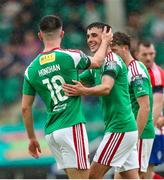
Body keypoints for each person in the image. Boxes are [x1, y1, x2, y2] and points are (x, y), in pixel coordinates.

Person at [21, 15, 112, 179]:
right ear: (62, 34)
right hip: (71, 126)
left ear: (40, 35)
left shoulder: (30, 70)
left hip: (51, 133)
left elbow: (25, 108)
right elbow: (98, 62)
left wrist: (32, 138)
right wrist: (105, 40)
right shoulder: (70, 56)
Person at [62, 22, 139, 179]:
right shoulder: (97, 65)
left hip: (120, 129)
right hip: (124, 129)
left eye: (94, 35)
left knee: (92, 177)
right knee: (130, 177)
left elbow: (106, 88)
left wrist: (84, 91)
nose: (90, 39)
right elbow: (75, 83)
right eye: (88, 36)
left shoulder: (112, 61)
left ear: (107, 38)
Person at [111, 32, 155, 179]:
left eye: (114, 50)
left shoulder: (135, 70)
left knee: (138, 176)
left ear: (125, 48)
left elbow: (145, 107)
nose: (112, 54)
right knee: (121, 175)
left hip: (139, 132)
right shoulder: (123, 70)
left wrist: (135, 137)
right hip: (128, 132)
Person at [136, 40, 164, 179]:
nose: (148, 58)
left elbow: (157, 106)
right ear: (136, 54)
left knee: (144, 173)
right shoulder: (133, 71)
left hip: (150, 130)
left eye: (151, 54)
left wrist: (142, 131)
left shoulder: (157, 74)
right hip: (138, 128)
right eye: (144, 54)